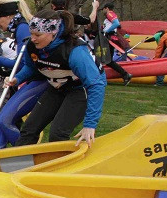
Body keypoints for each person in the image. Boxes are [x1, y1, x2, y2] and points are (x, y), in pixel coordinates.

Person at [10, 9, 107, 146]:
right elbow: (31, 67)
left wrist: (90, 125)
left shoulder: (75, 51)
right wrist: (17, 78)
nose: (33, 38)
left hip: (80, 88)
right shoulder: (32, 46)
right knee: (29, 129)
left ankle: (61, 164)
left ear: (53, 33)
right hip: (56, 87)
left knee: (58, 133)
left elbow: (96, 85)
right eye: (31, 33)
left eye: (38, 34)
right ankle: (19, 165)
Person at [0, 0, 49, 149]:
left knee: (3, 120)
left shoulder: (22, 28)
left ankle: (26, 153)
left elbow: (21, 63)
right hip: (32, 79)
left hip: (40, 80)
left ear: (8, 16)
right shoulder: (19, 28)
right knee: (1, 120)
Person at [52, 0, 132, 84]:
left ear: (53, 5)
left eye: (103, 9)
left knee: (106, 60)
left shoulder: (109, 14)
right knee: (105, 60)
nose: (103, 11)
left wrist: (105, 31)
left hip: (108, 39)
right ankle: (122, 74)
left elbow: (116, 23)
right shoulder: (71, 16)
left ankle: (123, 74)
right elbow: (90, 20)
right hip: (77, 45)